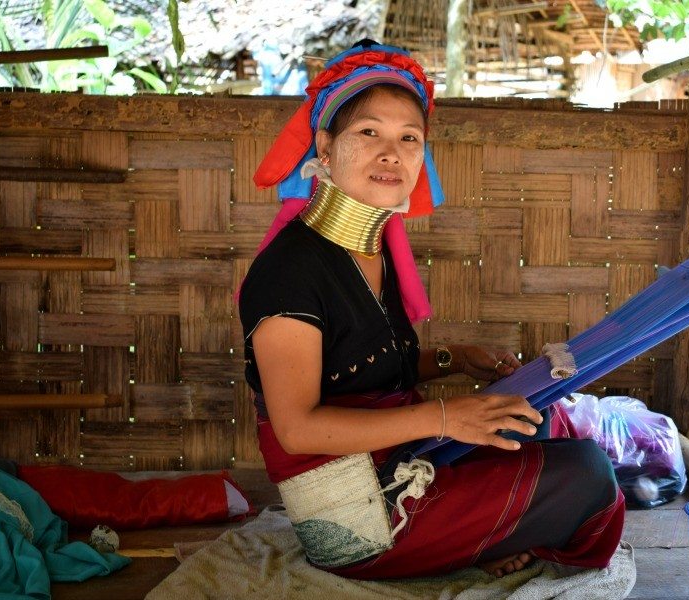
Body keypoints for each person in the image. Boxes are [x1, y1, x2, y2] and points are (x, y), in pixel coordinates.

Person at [238, 40, 624, 580]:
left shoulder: (374, 249)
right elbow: (297, 430)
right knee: (589, 474)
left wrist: (457, 360)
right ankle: (522, 540)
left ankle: (499, 534)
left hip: (398, 459)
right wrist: (447, 416)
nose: (391, 153)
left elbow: (365, 368)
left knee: (532, 420)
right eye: (369, 132)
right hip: (356, 516)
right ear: (324, 148)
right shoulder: (289, 271)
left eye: (408, 138)